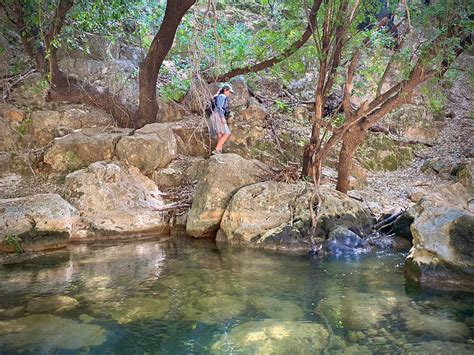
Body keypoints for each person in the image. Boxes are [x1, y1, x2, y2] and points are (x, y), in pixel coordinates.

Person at [209, 84, 234, 154]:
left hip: (215, 115)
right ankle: (217, 149)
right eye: (229, 92)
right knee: (227, 133)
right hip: (219, 115)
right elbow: (219, 107)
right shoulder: (222, 96)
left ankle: (219, 150)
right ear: (225, 90)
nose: (230, 94)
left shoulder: (218, 96)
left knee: (220, 133)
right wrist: (222, 117)